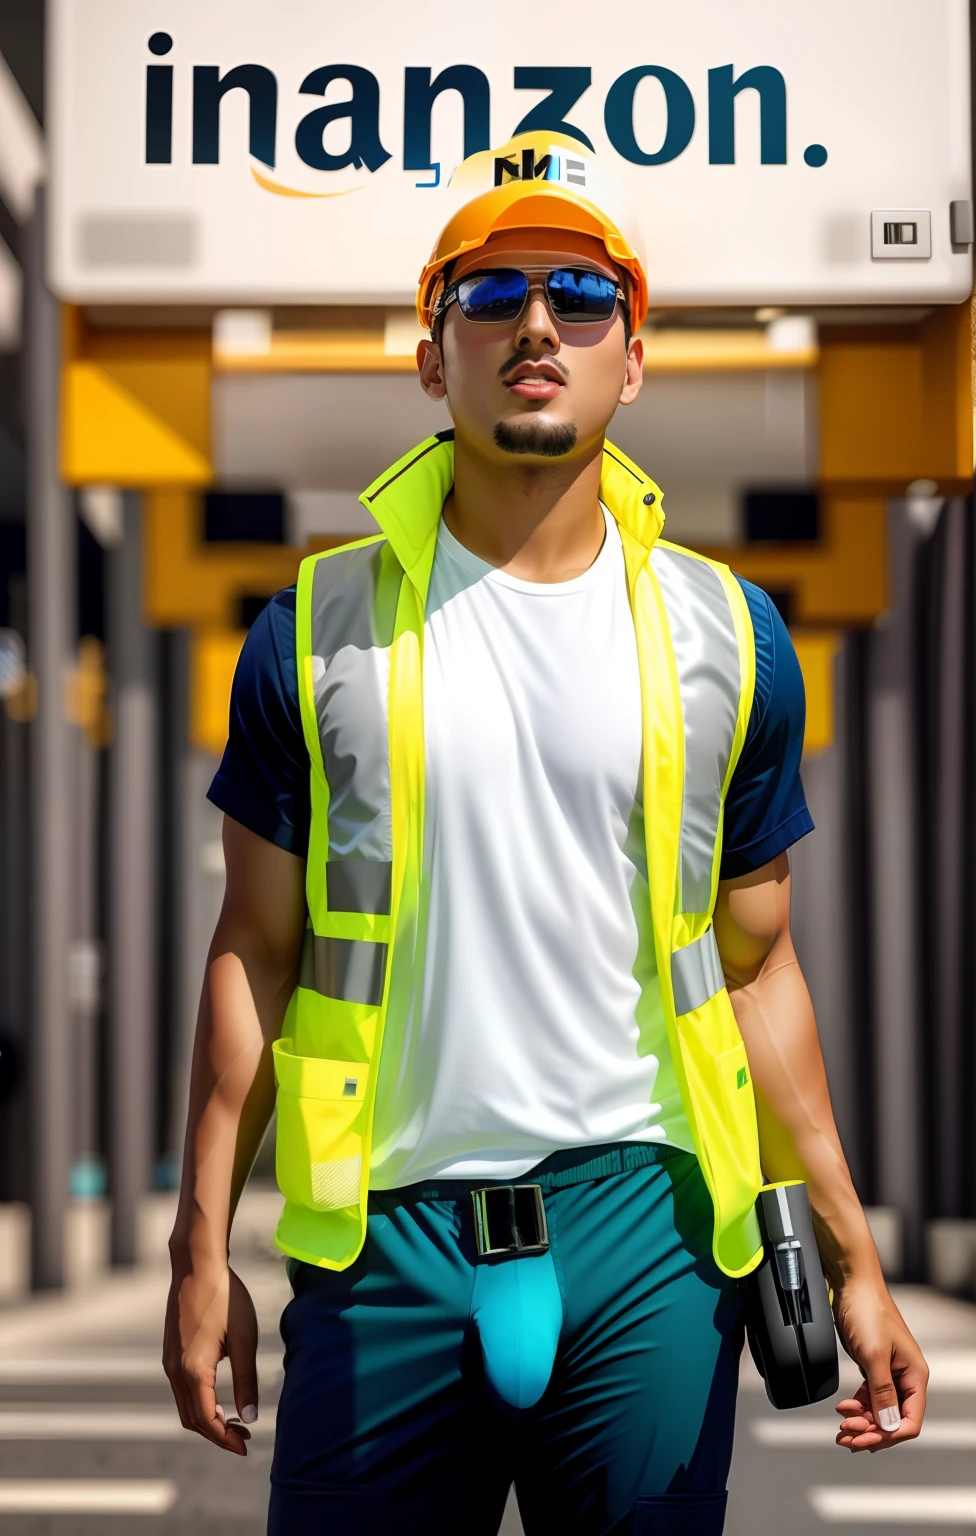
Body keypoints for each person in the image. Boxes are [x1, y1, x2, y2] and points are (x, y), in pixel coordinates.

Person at [164, 132, 928, 1535]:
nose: (536, 325)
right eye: (490, 293)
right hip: (387, 1239)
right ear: (430, 351)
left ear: (630, 358)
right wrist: (197, 1247)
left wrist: (854, 1258)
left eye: (581, 296)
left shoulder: (730, 641)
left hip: (643, 1231)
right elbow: (255, 952)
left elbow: (757, 969)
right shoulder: (313, 632)